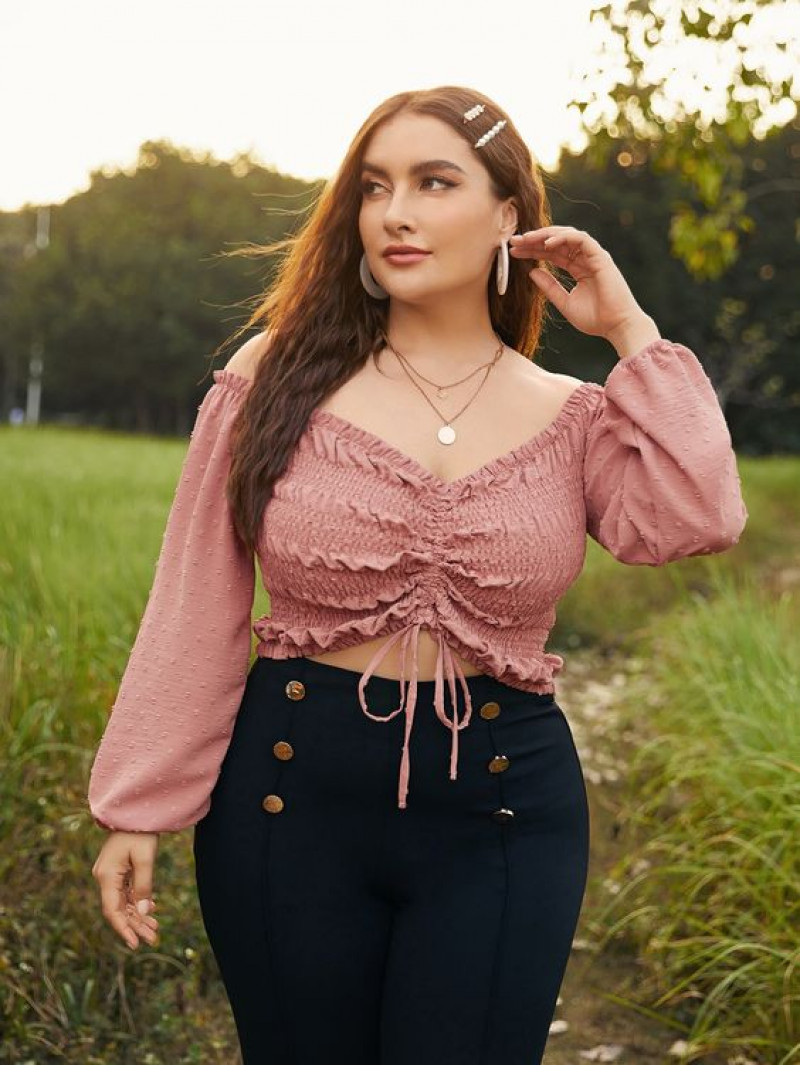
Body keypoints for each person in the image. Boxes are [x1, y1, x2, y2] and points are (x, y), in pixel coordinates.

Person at [88, 85, 748, 1064]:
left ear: (509, 217)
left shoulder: (572, 416)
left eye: (433, 183)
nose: (393, 212)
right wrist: (136, 805)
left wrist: (630, 333)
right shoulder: (272, 379)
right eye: (373, 186)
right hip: (286, 800)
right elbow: (198, 601)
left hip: (504, 807)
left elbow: (700, 516)